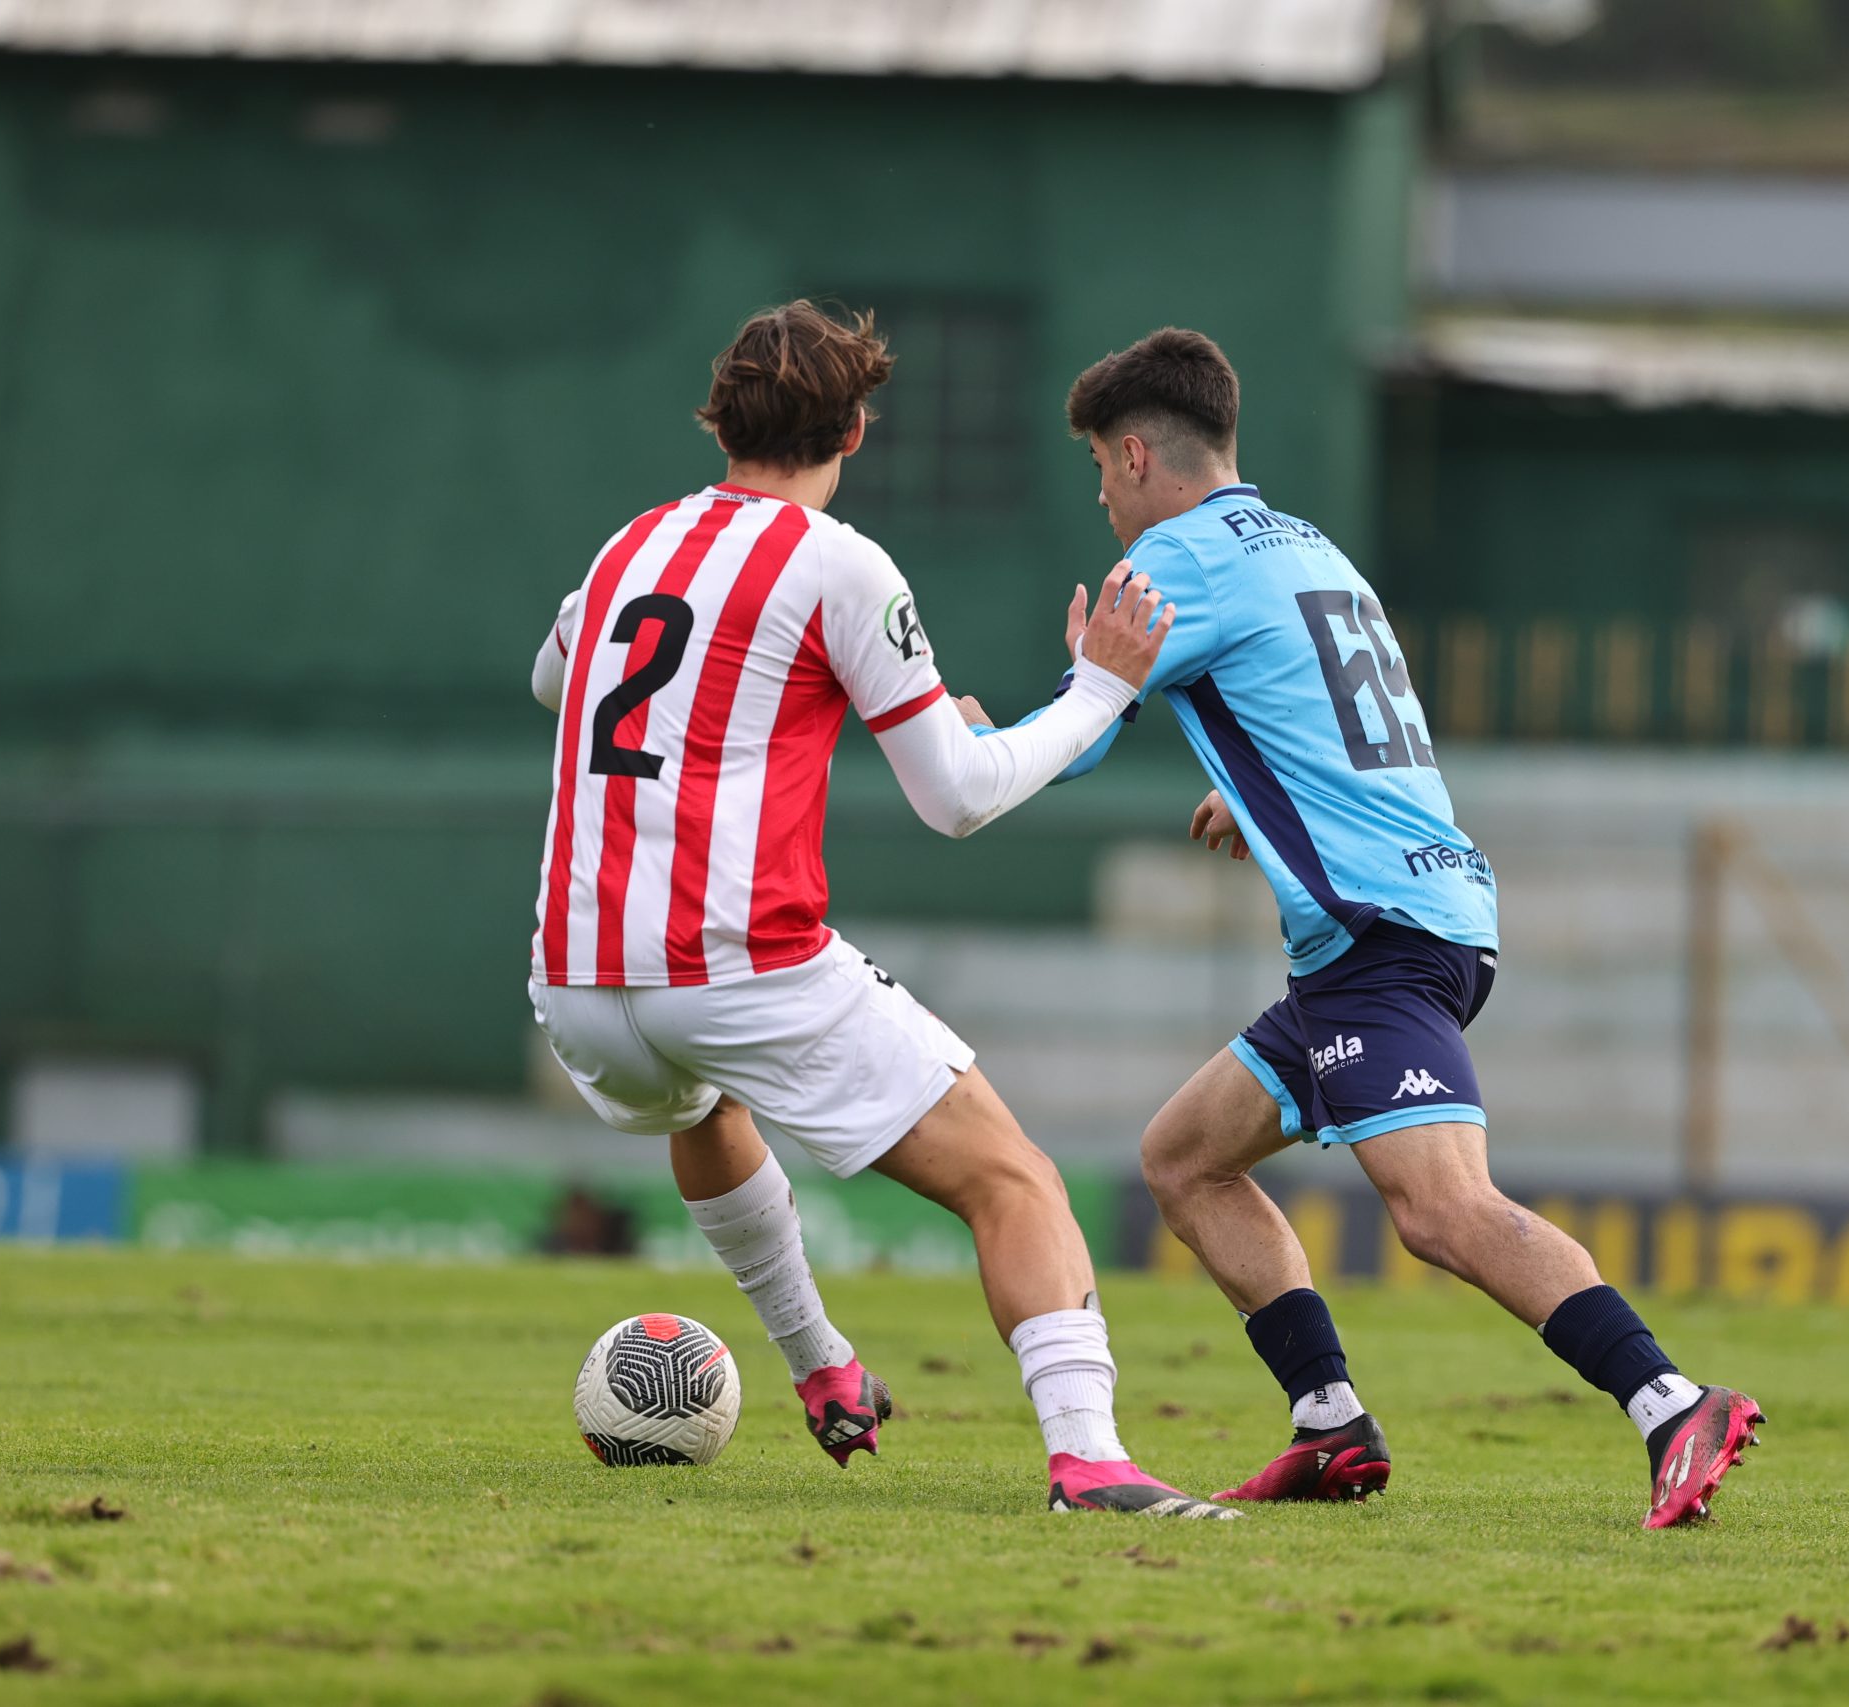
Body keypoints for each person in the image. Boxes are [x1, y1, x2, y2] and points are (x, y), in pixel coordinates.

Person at [1007, 327, 1762, 1528]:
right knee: (1185, 1157)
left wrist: (1022, 705)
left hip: (1380, 936)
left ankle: (1671, 1400)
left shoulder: (1176, 564)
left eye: (1101, 465)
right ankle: (1328, 1424)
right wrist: (1251, 794)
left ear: (1138, 453)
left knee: (1441, 1211)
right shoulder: (1304, 546)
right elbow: (1320, 710)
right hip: (1401, 919)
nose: (1100, 494)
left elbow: (1069, 743)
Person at [525, 300, 1233, 1520]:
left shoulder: (630, 542)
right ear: (855, 427)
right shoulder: (837, 561)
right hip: (738, 963)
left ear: (720, 419)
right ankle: (1092, 1462)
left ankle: (822, 1368)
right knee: (1013, 1182)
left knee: (703, 1096)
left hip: (577, 979)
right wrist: (1098, 692)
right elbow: (956, 801)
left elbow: (555, 681)